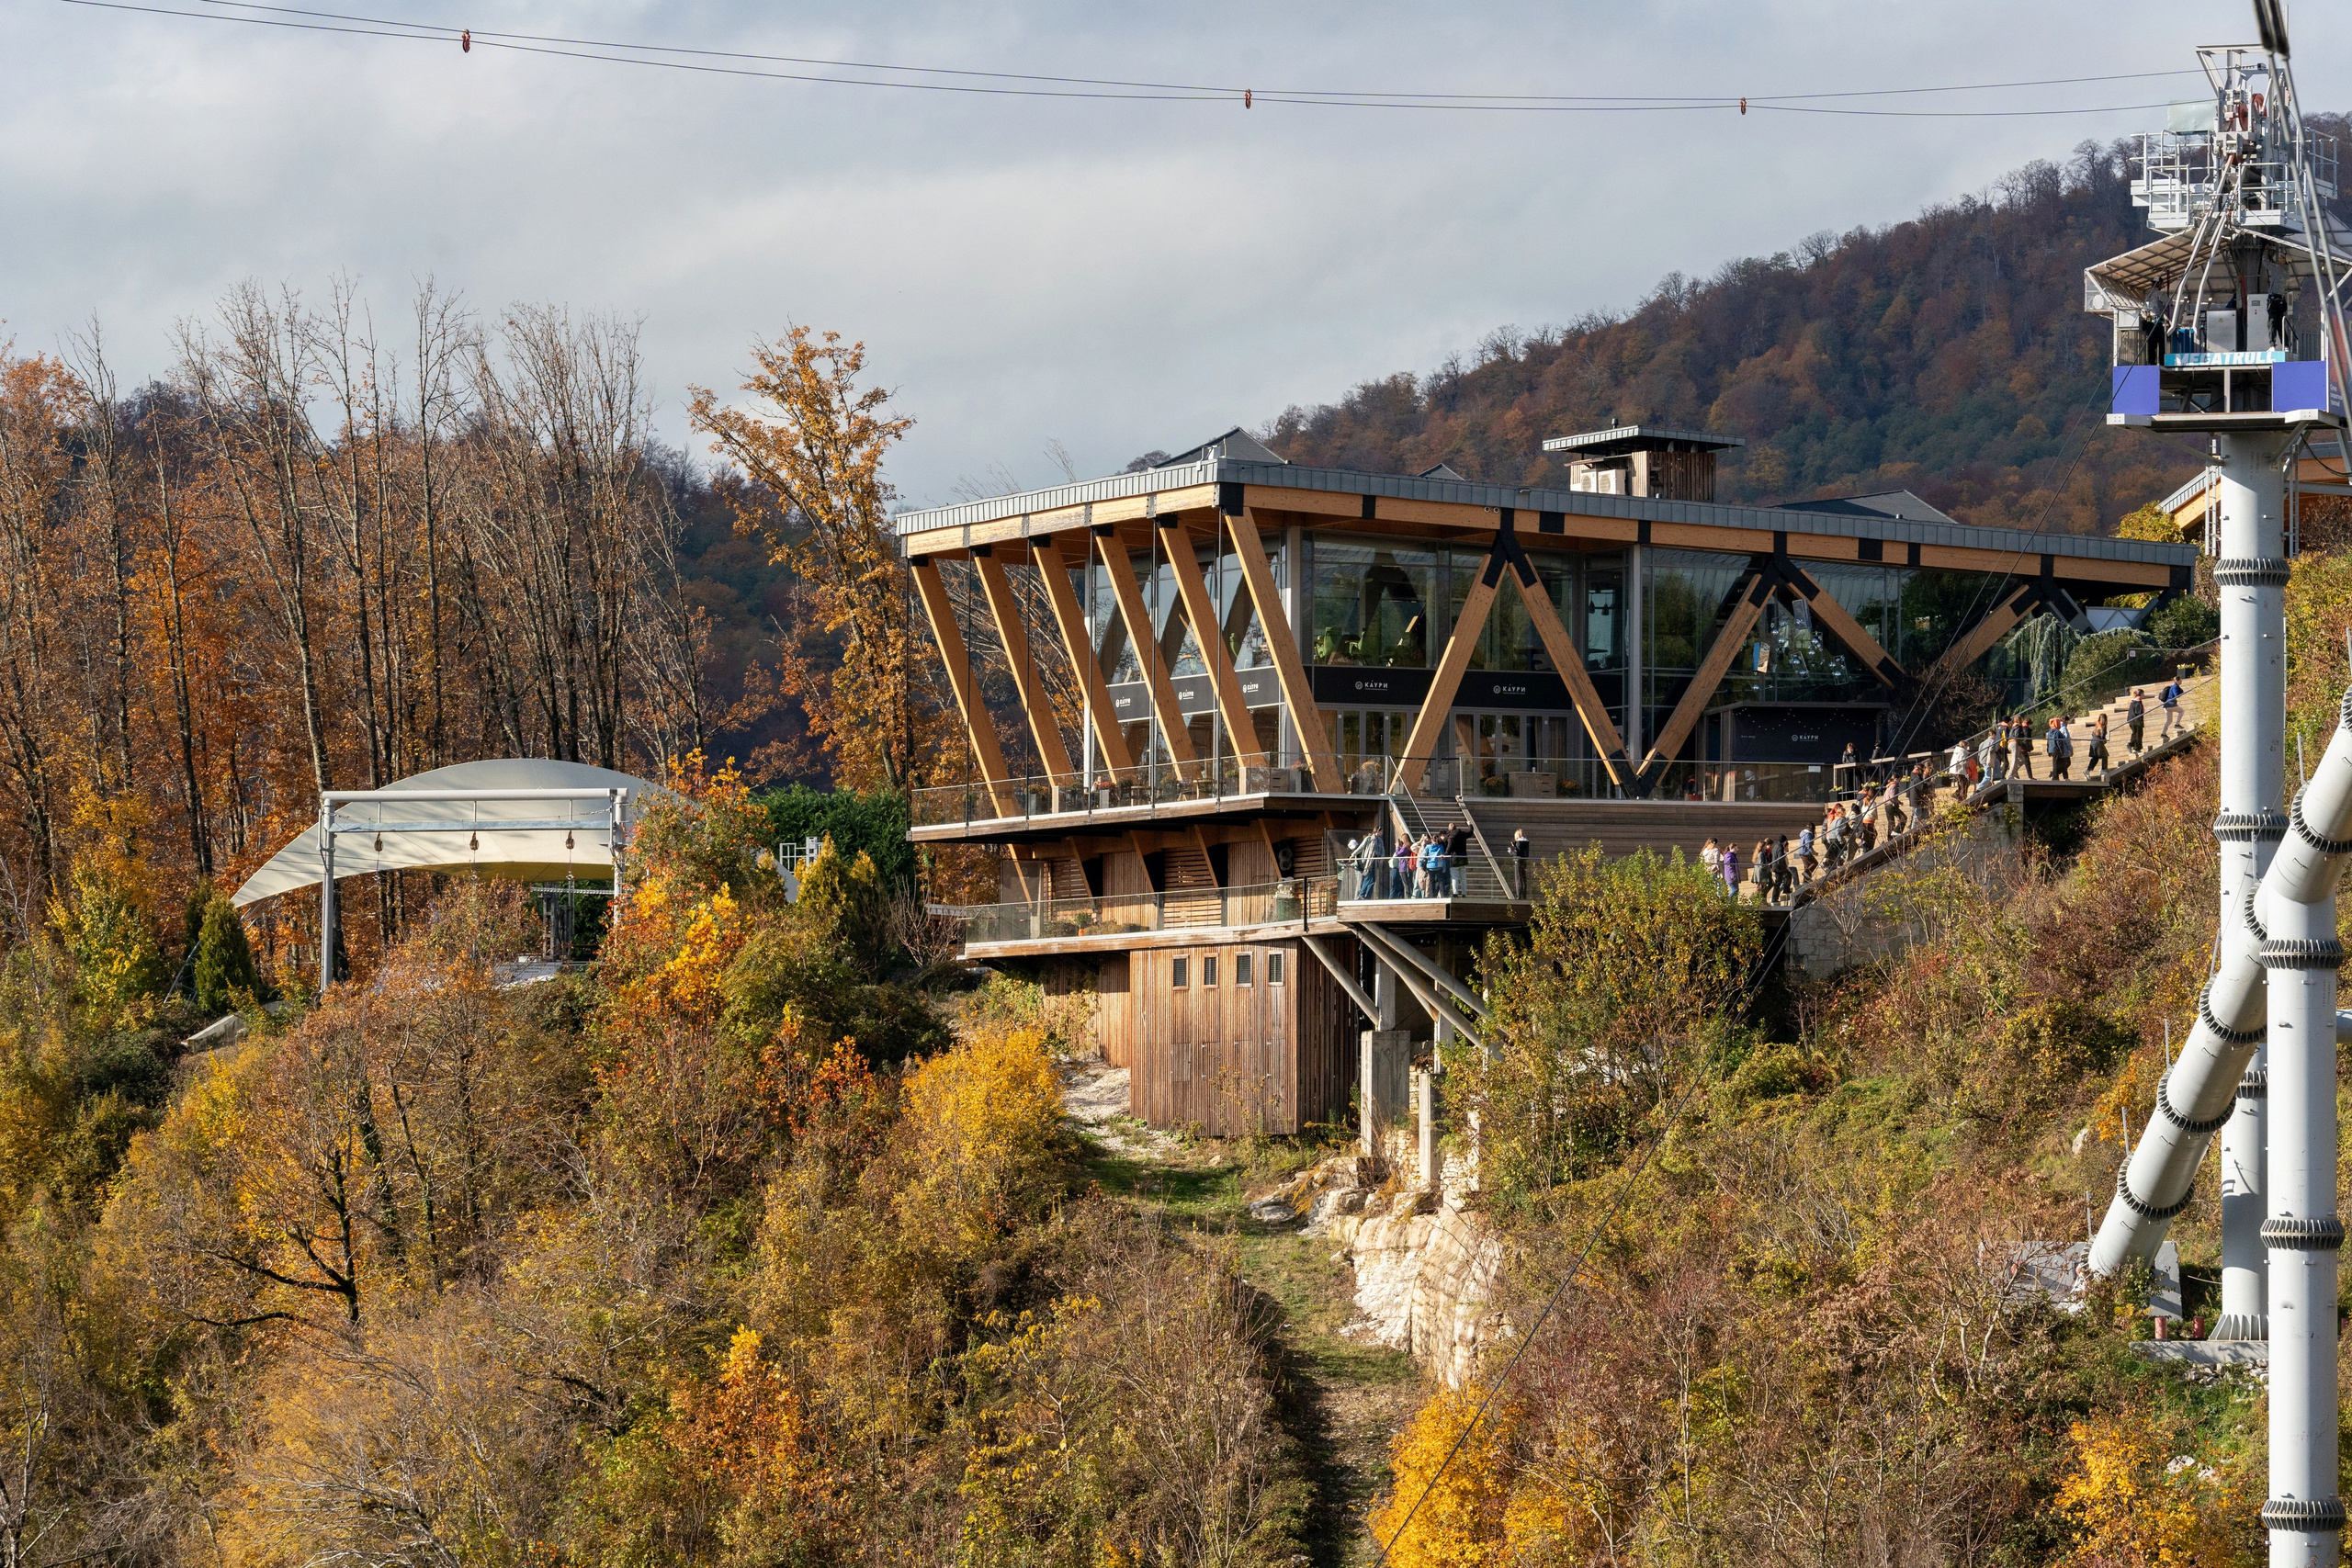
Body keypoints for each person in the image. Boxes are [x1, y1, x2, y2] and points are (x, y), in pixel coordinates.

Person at [1444, 821, 1473, 897]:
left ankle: (1455, 893)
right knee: (1463, 876)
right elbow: (1470, 833)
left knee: (1455, 877)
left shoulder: (1451, 837)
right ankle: (1464, 893)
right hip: (1463, 857)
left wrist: (1445, 854)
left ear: (1449, 829)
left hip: (1455, 858)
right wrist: (1469, 825)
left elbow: (1449, 848)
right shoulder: (1462, 834)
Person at [2047, 715, 2073, 782]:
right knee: (2059, 764)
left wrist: (2048, 750)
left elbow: (2048, 741)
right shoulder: (2058, 732)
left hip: (2052, 749)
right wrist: (2062, 751)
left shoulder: (2050, 732)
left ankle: (2060, 776)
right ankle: (2055, 776)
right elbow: (2060, 742)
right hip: (2057, 750)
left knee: (2058, 763)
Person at [2159, 674, 2184, 740]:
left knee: (2169, 720)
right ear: (2177, 681)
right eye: (2180, 680)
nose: (2181, 681)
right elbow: (2176, 695)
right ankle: (2177, 724)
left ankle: (2163, 734)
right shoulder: (2175, 687)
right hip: (2170, 704)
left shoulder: (2174, 686)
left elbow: (2181, 692)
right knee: (2181, 711)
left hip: (2167, 705)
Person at [1510, 827, 1532, 897]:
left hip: (1518, 861)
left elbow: (1517, 853)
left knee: (1518, 878)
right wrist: (1515, 845)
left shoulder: (1518, 842)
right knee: (1523, 878)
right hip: (1524, 861)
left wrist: (1511, 852)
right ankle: (1524, 894)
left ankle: (1519, 894)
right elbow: (1523, 851)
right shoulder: (1526, 842)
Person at [2089, 712, 2110, 779]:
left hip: (2093, 742)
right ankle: (2104, 770)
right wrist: (2105, 741)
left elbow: (2093, 734)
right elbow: (2102, 737)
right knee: (2105, 755)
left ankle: (2088, 770)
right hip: (2098, 743)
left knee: (2096, 757)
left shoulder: (2097, 725)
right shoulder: (2103, 726)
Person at [2126, 688, 2146, 754]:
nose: (2144, 695)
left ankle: (2132, 746)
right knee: (2138, 734)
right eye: (2143, 694)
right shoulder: (2138, 702)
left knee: (2135, 734)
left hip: (2132, 721)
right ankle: (2135, 747)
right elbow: (2138, 713)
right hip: (2136, 721)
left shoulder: (2134, 702)